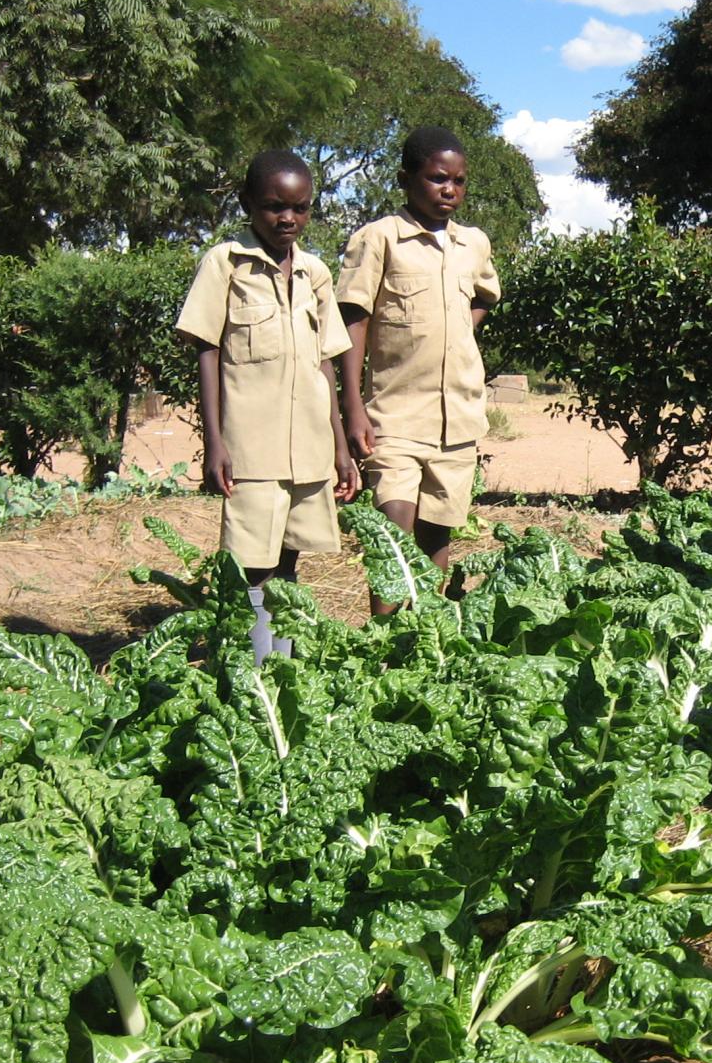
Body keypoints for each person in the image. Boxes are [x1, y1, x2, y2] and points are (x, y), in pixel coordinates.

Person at [175, 149, 360, 663]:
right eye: (275, 207)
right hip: (251, 450)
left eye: (300, 209)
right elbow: (207, 350)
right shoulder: (225, 264)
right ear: (247, 205)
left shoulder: (315, 273)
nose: (288, 219)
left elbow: (325, 361)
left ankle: (282, 670)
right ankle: (250, 672)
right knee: (251, 564)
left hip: (309, 448)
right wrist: (215, 443)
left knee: (288, 560)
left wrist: (341, 446)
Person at [336, 126, 501, 613]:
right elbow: (352, 318)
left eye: (459, 181)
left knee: (435, 545)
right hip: (394, 417)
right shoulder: (379, 239)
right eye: (436, 179)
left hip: (458, 422)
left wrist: (458, 333)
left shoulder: (473, 243)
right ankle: (384, 650)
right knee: (392, 543)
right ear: (406, 180)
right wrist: (352, 407)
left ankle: (420, 647)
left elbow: (486, 295)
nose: (449, 190)